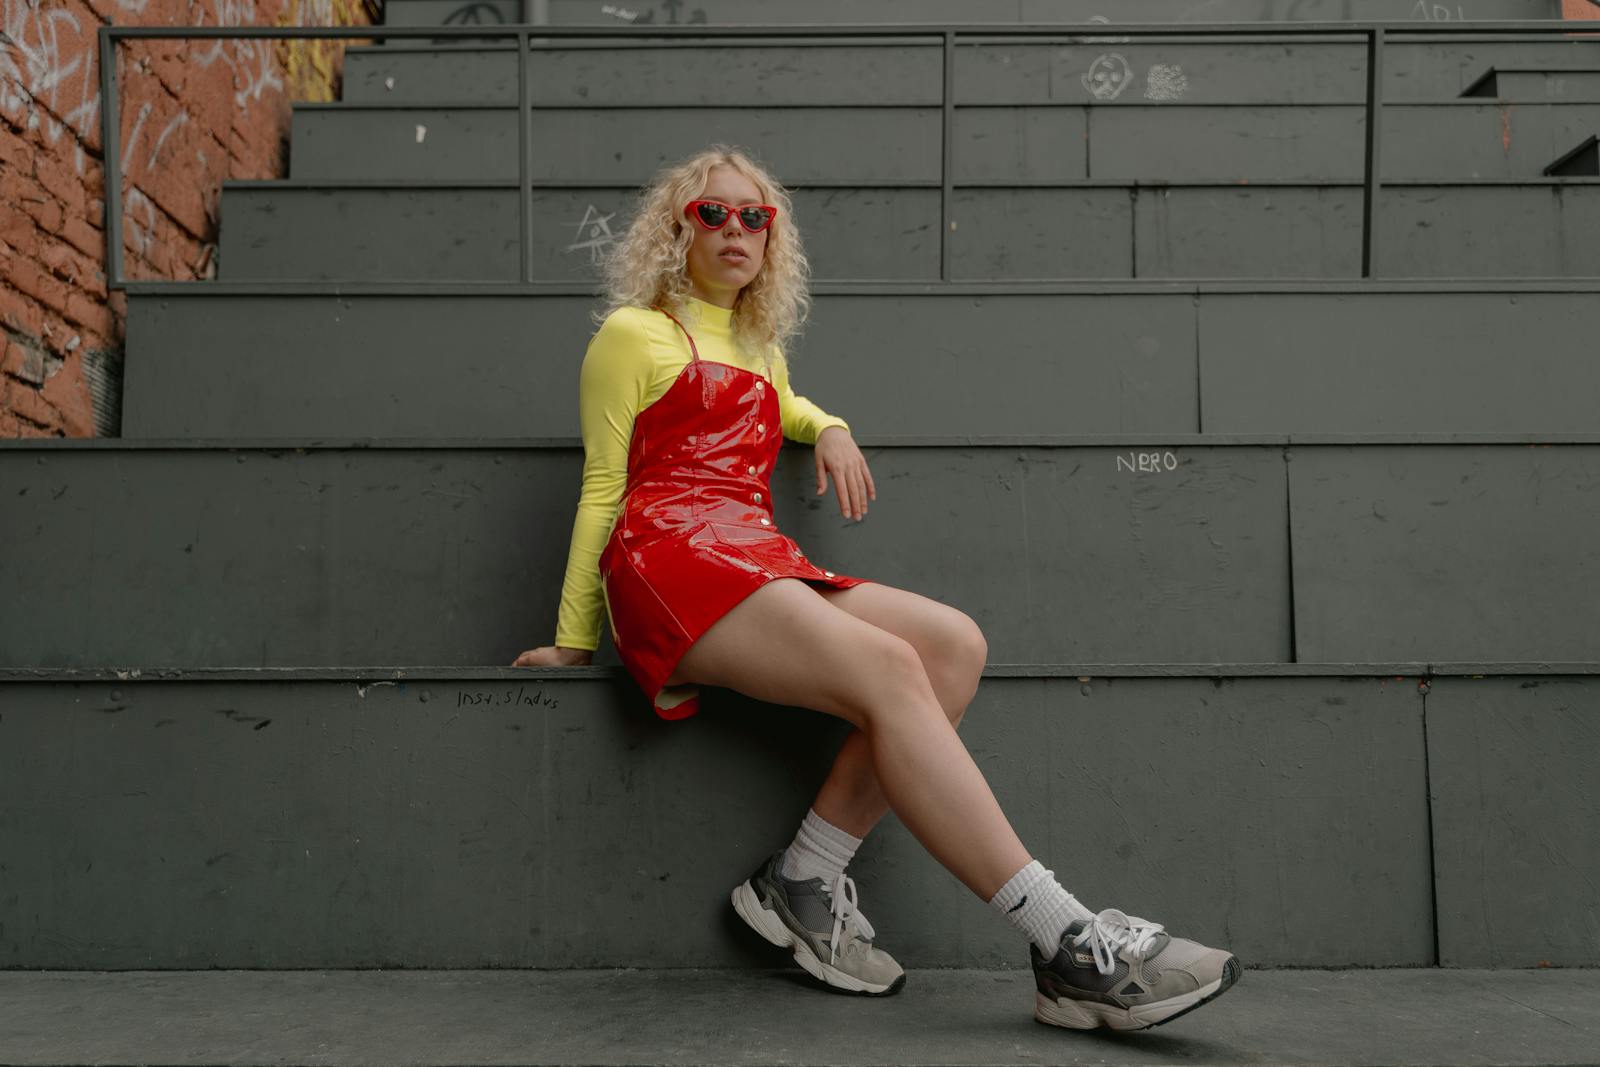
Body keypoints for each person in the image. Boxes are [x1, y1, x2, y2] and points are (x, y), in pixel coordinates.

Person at [511, 144, 1240, 1031]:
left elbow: (782, 403)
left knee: (953, 645)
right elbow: (601, 487)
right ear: (676, 230)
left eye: (755, 215)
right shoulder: (633, 334)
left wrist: (832, 426)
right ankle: (1068, 944)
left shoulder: (758, 342)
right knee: (892, 667)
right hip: (669, 556)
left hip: (754, 550)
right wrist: (577, 639)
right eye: (713, 213)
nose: (736, 228)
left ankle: (803, 880)